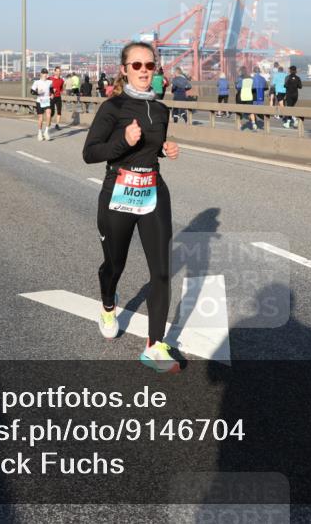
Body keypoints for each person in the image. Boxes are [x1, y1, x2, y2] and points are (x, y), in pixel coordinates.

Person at [82, 41, 181, 374]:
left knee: (162, 271)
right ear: (124, 70)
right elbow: (90, 153)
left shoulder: (161, 110)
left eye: (149, 65)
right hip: (119, 191)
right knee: (115, 264)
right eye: (136, 65)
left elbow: (152, 149)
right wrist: (122, 141)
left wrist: (164, 150)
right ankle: (108, 304)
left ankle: (154, 346)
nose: (143, 71)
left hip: (152, 190)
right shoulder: (112, 108)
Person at [31, 69, 53, 141]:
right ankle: (40, 132)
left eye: (46, 73)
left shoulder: (50, 82)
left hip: (47, 101)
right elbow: (32, 91)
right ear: (41, 74)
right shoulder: (37, 82)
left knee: (49, 115)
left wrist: (52, 94)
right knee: (41, 118)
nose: (45, 75)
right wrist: (38, 93)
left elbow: (51, 89)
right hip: (39, 101)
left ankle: (46, 132)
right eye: (43, 73)